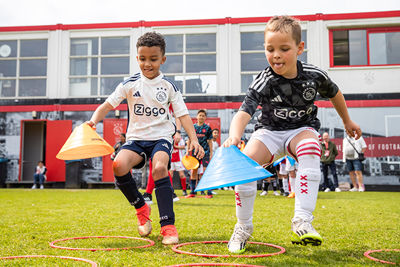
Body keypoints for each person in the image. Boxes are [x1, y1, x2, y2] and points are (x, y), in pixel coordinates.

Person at [223, 15, 362, 253]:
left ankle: (302, 221)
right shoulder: (264, 79)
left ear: (299, 49)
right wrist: (235, 135)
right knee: (244, 168)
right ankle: (243, 227)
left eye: (283, 49)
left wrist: (347, 120)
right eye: (270, 49)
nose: (276, 54)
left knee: (311, 147)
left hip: (301, 129)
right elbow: (244, 110)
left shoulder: (314, 75)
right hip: (268, 132)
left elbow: (335, 93)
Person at [86, 32, 204, 245]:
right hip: (136, 139)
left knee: (160, 168)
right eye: (142, 59)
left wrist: (193, 139)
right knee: (118, 165)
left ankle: (168, 226)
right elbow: (107, 105)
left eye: (153, 59)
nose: (147, 64)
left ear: (162, 59)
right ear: (137, 58)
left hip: (161, 138)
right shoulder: (129, 84)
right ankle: (141, 207)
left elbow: (183, 115)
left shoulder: (169, 87)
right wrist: (93, 121)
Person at [186, 110, 213, 198]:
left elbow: (210, 142)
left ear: (205, 118)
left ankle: (209, 193)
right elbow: (189, 140)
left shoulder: (208, 128)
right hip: (195, 152)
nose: (201, 117)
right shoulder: (193, 127)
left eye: (203, 116)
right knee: (194, 171)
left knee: (206, 172)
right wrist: (187, 151)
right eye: (200, 115)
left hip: (205, 152)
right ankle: (192, 192)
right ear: (197, 117)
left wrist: (211, 153)